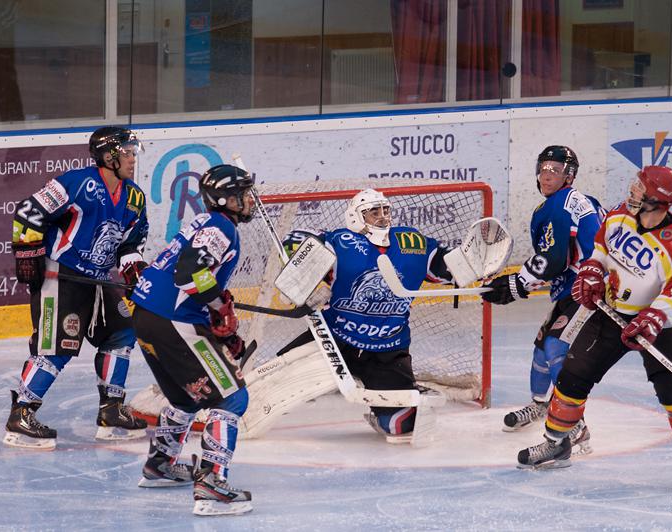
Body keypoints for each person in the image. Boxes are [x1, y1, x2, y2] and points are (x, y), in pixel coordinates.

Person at [517, 165, 672, 483]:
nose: (632, 189)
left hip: (661, 328)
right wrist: (593, 271)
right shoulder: (620, 213)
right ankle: (556, 444)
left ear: (656, 199)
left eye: (639, 186)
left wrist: (652, 316)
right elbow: (602, 249)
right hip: (611, 313)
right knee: (570, 379)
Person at [277, 188, 467, 439]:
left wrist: (471, 264)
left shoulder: (411, 243)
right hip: (334, 340)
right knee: (274, 380)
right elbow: (298, 242)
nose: (382, 217)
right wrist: (302, 268)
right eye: (373, 212)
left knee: (400, 427)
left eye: (385, 210)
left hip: (387, 350)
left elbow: (446, 266)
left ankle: (383, 412)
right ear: (355, 217)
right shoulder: (340, 242)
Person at [3, 126, 149, 450]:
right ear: (108, 156)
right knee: (56, 347)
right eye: (126, 152)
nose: (132, 158)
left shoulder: (135, 197)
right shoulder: (77, 182)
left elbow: (131, 243)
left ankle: (111, 411)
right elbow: (28, 212)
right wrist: (28, 253)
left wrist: (134, 267)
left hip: (98, 279)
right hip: (62, 276)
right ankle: (21, 413)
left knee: (122, 331)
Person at [129, 164, 255, 517]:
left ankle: (160, 466)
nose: (250, 200)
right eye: (244, 194)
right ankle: (212, 484)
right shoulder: (221, 227)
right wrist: (218, 305)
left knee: (185, 398)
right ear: (227, 199)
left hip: (148, 316)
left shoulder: (204, 223)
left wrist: (215, 311)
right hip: (174, 321)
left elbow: (188, 273)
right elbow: (189, 275)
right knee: (231, 398)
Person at [481, 146, 604, 453]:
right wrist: (518, 280)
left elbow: (552, 260)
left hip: (587, 291)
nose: (547, 175)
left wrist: (515, 285)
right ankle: (540, 406)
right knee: (540, 350)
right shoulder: (575, 201)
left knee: (555, 347)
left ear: (569, 175)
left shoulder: (559, 206)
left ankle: (576, 425)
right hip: (572, 288)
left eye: (555, 170)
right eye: (544, 169)